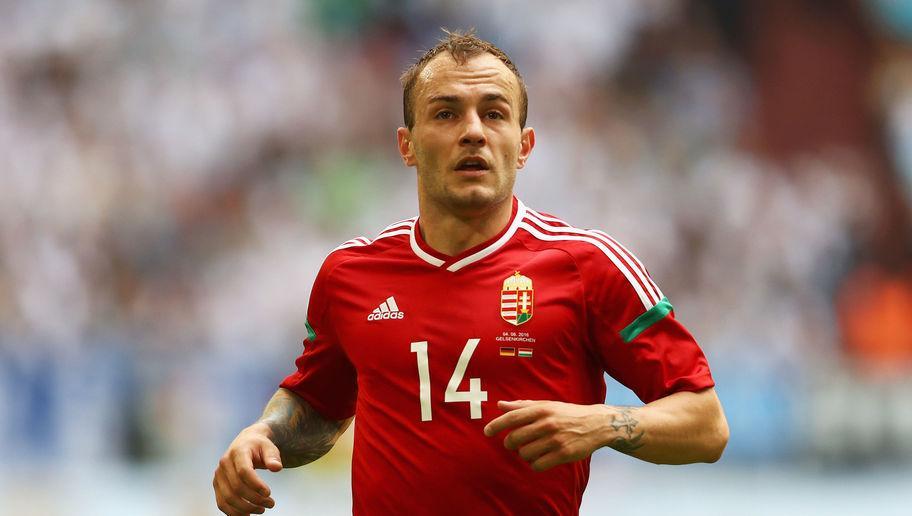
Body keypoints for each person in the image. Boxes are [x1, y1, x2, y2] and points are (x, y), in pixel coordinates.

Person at [213, 29, 729, 516]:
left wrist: (603, 424)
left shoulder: (586, 264)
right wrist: (264, 434)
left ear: (524, 146)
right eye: (446, 113)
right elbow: (319, 405)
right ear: (407, 145)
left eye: (494, 113)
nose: (474, 132)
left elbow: (706, 425)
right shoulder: (351, 274)